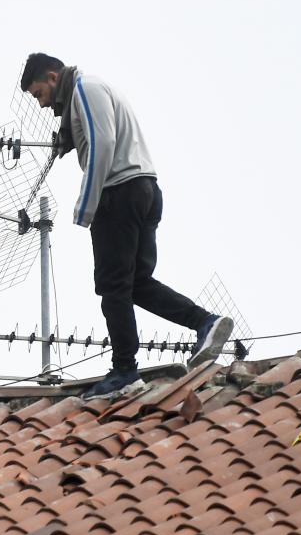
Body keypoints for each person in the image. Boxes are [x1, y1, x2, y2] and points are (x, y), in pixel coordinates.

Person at [19, 54, 234, 399]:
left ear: (53, 77)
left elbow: (102, 144)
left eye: (39, 93)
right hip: (144, 190)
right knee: (136, 284)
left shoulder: (85, 89)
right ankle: (205, 322)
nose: (42, 103)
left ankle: (124, 372)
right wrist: (69, 135)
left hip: (117, 193)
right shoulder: (91, 91)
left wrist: (86, 206)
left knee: (112, 287)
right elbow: (99, 133)